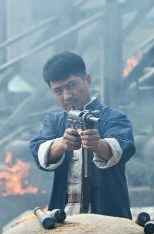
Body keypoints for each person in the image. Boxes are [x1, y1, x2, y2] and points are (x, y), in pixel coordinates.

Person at [29, 51, 135, 218]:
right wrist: (61, 144)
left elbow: (124, 147)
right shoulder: (54, 121)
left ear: (87, 80)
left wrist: (99, 145)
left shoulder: (113, 117)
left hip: (107, 216)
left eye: (71, 85)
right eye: (58, 91)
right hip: (64, 214)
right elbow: (37, 149)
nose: (67, 96)